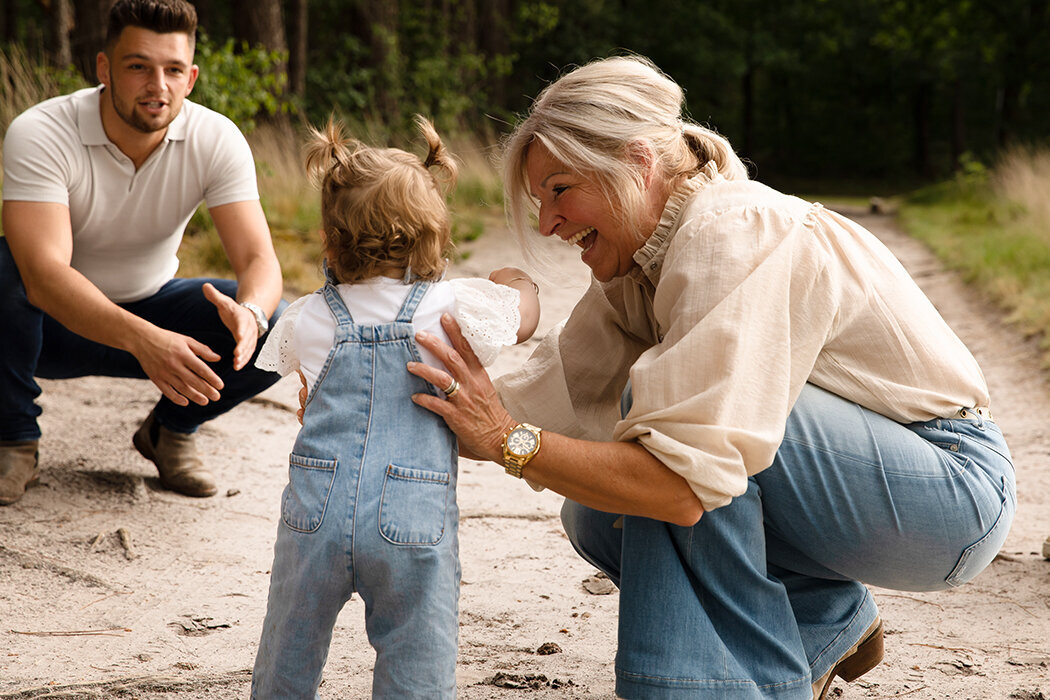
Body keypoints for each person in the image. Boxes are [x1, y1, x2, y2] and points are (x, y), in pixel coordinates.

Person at [406, 56, 1016, 699]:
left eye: (560, 189)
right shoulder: (642, 263)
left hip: (950, 485)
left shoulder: (730, 228)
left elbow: (678, 480)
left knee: (664, 436)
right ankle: (818, 619)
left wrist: (507, 440)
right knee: (595, 508)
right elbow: (560, 386)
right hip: (867, 488)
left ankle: (705, 687)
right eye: (540, 201)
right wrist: (385, 391)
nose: (547, 223)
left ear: (637, 160)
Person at [250, 116, 540, 699]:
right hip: (412, 514)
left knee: (289, 643)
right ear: (433, 239)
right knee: (417, 650)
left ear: (331, 242)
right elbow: (523, 319)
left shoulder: (309, 316)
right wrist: (518, 280)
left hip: (316, 516)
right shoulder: (449, 307)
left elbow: (310, 387)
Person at [0, 0, 285, 503]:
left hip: (151, 306)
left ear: (191, 77)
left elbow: (259, 261)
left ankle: (170, 433)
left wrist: (253, 314)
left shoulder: (216, 139)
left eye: (173, 69)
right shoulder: (41, 131)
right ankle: (15, 441)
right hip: (48, 328)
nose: (158, 86)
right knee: (5, 269)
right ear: (104, 69)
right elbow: (43, 275)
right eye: (139, 67)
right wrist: (145, 340)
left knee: (277, 322)